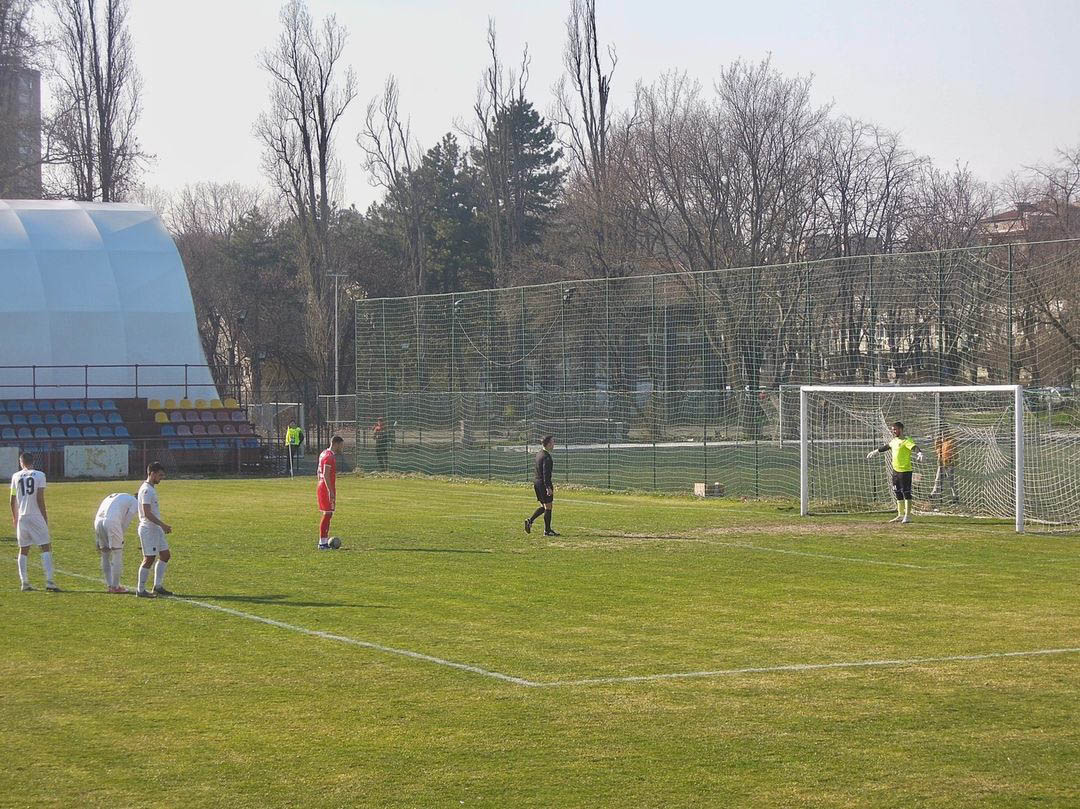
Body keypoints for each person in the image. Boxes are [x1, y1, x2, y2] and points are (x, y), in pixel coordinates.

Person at [10, 452, 59, 592]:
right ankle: (49, 581)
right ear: (33, 462)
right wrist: (44, 517)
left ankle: (24, 583)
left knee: (23, 549)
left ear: (21, 462)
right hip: (36, 515)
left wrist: (15, 517)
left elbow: (12, 499)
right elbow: (39, 498)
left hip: (22, 517)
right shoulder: (40, 475)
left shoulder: (15, 476)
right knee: (45, 546)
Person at [866, 421, 924, 524]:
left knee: (906, 492)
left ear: (900, 429)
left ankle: (908, 515)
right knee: (897, 492)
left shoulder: (906, 440)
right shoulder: (894, 441)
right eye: (892, 430)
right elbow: (886, 447)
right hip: (895, 471)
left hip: (905, 471)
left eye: (895, 429)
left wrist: (919, 452)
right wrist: (875, 452)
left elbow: (914, 447)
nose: (893, 431)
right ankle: (900, 514)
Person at [136, 462, 173, 598]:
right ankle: (140, 590)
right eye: (160, 475)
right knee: (149, 558)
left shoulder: (150, 488)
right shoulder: (146, 490)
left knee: (165, 555)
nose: (161, 478)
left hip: (155, 529)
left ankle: (157, 586)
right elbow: (147, 513)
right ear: (152, 473)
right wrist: (162, 525)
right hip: (148, 529)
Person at [94, 492, 139, 593]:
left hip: (98, 521)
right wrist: (120, 535)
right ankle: (115, 586)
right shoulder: (135, 502)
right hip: (112, 521)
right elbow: (127, 520)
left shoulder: (119, 496)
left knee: (105, 553)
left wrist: (97, 537)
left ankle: (110, 585)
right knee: (117, 552)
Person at [524, 435, 559, 536]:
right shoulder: (546, 457)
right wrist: (548, 487)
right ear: (548, 444)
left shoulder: (539, 453)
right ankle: (547, 531)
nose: (554, 444)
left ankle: (530, 521)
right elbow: (546, 473)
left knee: (544, 507)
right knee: (548, 507)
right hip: (543, 483)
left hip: (537, 482)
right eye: (553, 442)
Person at [317, 435, 344, 550]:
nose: (342, 448)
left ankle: (323, 540)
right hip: (325, 487)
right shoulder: (329, 457)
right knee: (327, 514)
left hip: (322, 485)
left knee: (328, 513)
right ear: (336, 444)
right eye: (341, 445)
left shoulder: (323, 453)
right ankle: (322, 542)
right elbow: (326, 474)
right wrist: (330, 491)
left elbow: (318, 472)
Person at [930, 428, 959, 508]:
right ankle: (933, 495)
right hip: (942, 463)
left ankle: (955, 496)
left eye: (944, 433)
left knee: (951, 481)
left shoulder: (951, 441)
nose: (943, 435)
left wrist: (951, 461)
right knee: (938, 479)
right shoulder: (941, 442)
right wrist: (937, 443)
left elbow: (953, 453)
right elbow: (938, 450)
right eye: (942, 433)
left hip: (949, 463)